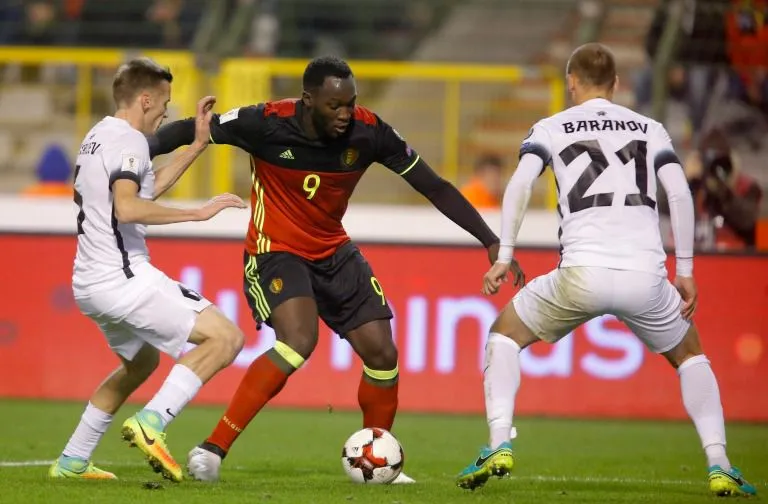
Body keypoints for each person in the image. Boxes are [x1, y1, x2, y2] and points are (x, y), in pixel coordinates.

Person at [147, 55, 515, 484]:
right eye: (334, 106)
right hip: (275, 250)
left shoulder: (369, 131)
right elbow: (193, 130)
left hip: (332, 250)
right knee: (299, 340)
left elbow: (433, 185)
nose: (344, 115)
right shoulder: (266, 122)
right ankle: (212, 448)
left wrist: (490, 240)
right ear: (308, 100)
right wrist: (133, 149)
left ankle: (380, 458)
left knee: (383, 352)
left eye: (350, 104)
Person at [455, 43, 756, 498]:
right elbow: (677, 192)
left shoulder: (551, 126)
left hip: (581, 273)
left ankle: (498, 443)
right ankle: (720, 464)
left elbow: (518, 184)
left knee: (503, 336)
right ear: (616, 85)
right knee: (691, 356)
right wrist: (687, 268)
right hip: (646, 275)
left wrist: (504, 254)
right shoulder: (650, 128)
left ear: (571, 83)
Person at [48, 58, 247, 483]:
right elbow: (128, 206)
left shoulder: (98, 136)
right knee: (227, 338)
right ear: (144, 99)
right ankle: (152, 422)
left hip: (89, 282)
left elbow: (145, 185)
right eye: (164, 105)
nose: (165, 114)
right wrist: (197, 214)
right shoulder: (132, 140)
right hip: (122, 277)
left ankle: (72, 461)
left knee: (140, 364)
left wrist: (195, 146)